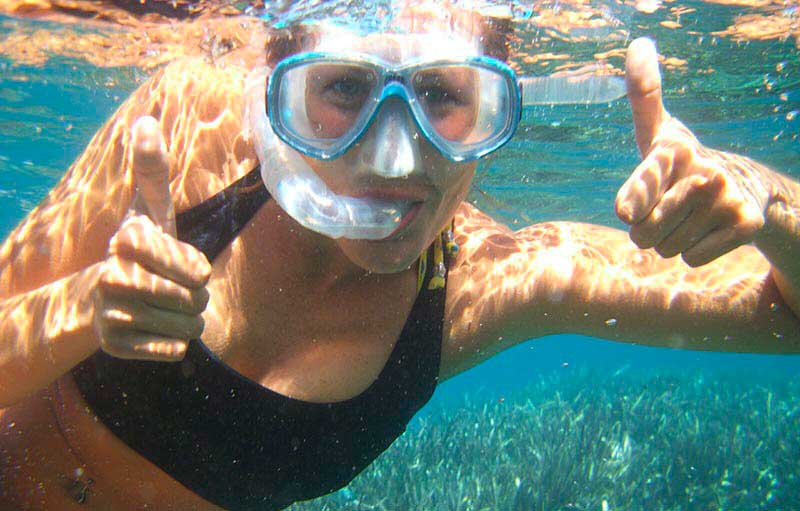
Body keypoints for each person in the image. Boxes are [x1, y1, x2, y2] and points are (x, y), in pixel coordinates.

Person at [1, 2, 799, 510]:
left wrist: (762, 202)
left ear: (499, 106)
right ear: (270, 93)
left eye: (446, 97)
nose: (392, 159)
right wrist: (84, 307)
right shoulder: (182, 134)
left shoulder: (484, 283)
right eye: (343, 89)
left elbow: (782, 317)